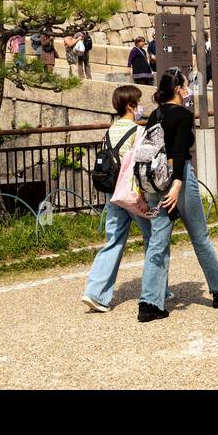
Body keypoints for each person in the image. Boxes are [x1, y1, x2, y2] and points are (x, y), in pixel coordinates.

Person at [134, 68, 218, 322]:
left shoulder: (155, 114)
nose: (189, 87)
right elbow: (178, 152)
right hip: (179, 178)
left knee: (158, 240)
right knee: (200, 237)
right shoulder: (183, 114)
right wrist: (177, 184)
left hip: (155, 181)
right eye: (186, 84)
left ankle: (149, 302)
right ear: (178, 88)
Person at [80, 84, 170, 313]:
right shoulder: (137, 131)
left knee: (114, 239)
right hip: (133, 193)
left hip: (113, 194)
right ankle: (157, 288)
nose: (141, 107)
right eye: (138, 102)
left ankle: (95, 292)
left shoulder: (109, 131)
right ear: (131, 105)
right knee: (154, 237)